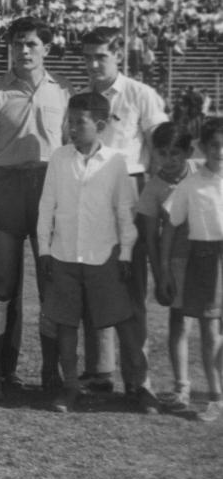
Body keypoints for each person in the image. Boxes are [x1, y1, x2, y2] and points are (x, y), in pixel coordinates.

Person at [0, 17, 72, 401]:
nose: (22, 51)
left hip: (50, 191)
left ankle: (50, 372)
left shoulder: (63, 92)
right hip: (6, 189)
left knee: (51, 285)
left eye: (30, 44)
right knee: (1, 284)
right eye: (16, 45)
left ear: (45, 47)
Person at [36, 92, 154, 414]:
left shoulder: (117, 162)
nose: (71, 128)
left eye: (79, 122)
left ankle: (140, 386)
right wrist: (44, 250)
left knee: (125, 321)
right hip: (63, 256)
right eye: (69, 121)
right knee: (65, 324)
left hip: (104, 256)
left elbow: (124, 210)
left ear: (99, 125)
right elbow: (47, 205)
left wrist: (126, 253)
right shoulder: (59, 158)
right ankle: (70, 387)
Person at [80, 27, 168, 397]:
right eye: (87, 57)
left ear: (118, 55)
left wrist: (160, 202)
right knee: (93, 282)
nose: (94, 63)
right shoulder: (80, 97)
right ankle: (100, 371)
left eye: (101, 55)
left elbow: (162, 150)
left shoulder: (140, 95)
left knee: (131, 286)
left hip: (131, 190)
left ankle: (138, 378)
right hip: (89, 191)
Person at [161, 117, 223, 422]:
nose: (221, 151)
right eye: (215, 145)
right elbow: (171, 227)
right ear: (203, 147)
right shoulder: (191, 185)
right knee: (210, 332)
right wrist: (162, 266)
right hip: (205, 260)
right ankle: (215, 398)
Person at [138, 123, 195, 410]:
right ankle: (182, 387)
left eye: (176, 153)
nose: (169, 159)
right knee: (180, 322)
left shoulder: (204, 174)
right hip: (176, 261)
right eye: (163, 153)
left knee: (215, 324)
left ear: (188, 152)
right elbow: (149, 237)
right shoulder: (154, 187)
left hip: (212, 260)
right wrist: (160, 275)